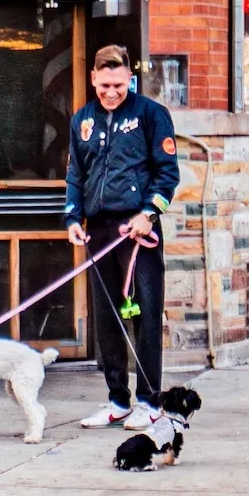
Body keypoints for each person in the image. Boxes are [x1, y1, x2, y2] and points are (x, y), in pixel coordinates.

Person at [65, 45, 180, 432]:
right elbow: (76, 175)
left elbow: (168, 173)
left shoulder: (150, 115)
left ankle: (150, 401)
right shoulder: (82, 119)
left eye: (118, 84)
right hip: (98, 229)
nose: (111, 92)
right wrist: (72, 218)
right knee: (107, 316)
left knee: (146, 315)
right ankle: (117, 399)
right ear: (93, 78)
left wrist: (150, 213)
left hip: (138, 229)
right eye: (104, 85)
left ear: (129, 78)